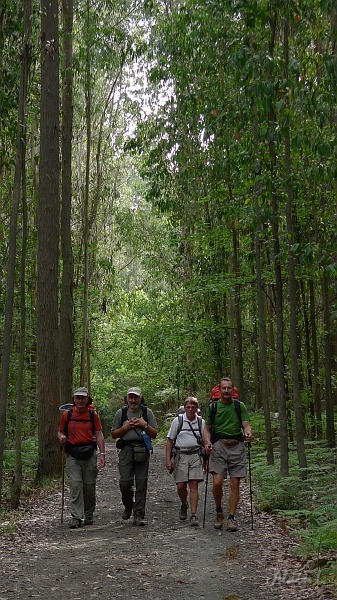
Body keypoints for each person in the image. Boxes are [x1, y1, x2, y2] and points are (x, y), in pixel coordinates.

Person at [203, 377, 253, 532]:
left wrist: (249, 434)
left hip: (237, 446)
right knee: (217, 482)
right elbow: (207, 428)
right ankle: (219, 511)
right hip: (219, 446)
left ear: (232, 390)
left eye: (228, 388)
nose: (226, 391)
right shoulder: (213, 407)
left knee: (234, 483)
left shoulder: (239, 406)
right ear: (219, 389)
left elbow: (246, 425)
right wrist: (207, 442)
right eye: (223, 388)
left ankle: (231, 518)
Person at [58, 386, 106, 529]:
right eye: (77, 398)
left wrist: (102, 454)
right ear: (74, 399)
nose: (80, 400)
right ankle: (76, 517)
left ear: (87, 399)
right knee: (75, 484)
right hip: (73, 454)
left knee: (89, 486)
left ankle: (89, 514)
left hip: (89, 453)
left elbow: (99, 434)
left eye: (82, 398)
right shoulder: (67, 415)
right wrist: (61, 437)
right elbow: (60, 431)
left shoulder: (93, 415)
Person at [111, 386, 158, 526]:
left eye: (136, 397)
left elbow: (155, 434)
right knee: (125, 483)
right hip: (126, 450)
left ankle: (139, 514)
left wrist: (144, 425)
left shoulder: (146, 412)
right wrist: (125, 427)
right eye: (130, 397)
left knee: (141, 483)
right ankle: (128, 505)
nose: (133, 400)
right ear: (126, 399)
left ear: (140, 398)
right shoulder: (121, 413)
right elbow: (113, 434)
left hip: (142, 450)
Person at [165, 396, 206, 527]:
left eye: (193, 407)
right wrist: (168, 459)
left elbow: (205, 441)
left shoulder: (201, 422)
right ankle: (184, 504)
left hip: (196, 455)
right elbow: (170, 441)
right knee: (181, 486)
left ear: (196, 408)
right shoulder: (178, 421)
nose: (190, 409)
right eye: (188, 407)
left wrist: (207, 460)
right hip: (181, 455)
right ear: (184, 408)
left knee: (194, 484)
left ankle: (193, 515)